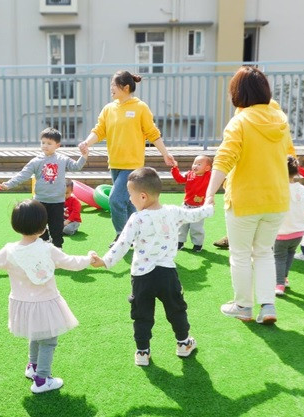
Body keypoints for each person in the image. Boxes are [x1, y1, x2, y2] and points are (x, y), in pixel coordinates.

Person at [0, 199, 96, 393]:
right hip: (45, 302)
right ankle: (42, 380)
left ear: (16, 225)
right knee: (48, 340)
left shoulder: (10, 250)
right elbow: (72, 262)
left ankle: (33, 366)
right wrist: (89, 258)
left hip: (22, 303)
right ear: (43, 227)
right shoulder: (47, 249)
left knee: (35, 334)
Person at [92, 167, 213, 366]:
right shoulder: (173, 211)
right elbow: (196, 214)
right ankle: (183, 344)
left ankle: (142, 352)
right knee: (176, 309)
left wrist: (105, 261)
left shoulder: (137, 219)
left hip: (141, 276)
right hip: (167, 274)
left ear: (142, 196)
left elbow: (122, 244)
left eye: (130, 195)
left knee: (142, 314)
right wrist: (209, 205)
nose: (129, 199)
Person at [204, 66, 295, 325]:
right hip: (277, 199)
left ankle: (243, 306)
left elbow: (224, 158)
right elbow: (291, 156)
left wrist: (210, 193)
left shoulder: (240, 121)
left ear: (238, 93)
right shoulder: (281, 120)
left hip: (245, 200)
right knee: (264, 252)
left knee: (241, 254)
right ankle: (268, 306)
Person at [78, 70, 176, 247]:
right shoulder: (109, 109)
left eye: (113, 86)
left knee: (115, 199)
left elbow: (152, 133)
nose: (111, 89)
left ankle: (121, 236)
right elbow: (100, 130)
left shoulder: (140, 108)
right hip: (114, 163)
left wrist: (165, 153)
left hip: (132, 165)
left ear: (126, 87)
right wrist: (87, 142)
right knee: (131, 202)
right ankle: (137, 235)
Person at [1, 127, 88, 249]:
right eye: (43, 142)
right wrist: (9, 184)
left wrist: (84, 156)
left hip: (57, 201)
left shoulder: (63, 159)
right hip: (40, 201)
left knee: (56, 227)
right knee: (39, 226)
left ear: (57, 145)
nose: (45, 146)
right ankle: (44, 243)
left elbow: (76, 167)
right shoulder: (36, 161)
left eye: (49, 143)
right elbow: (23, 174)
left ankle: (58, 248)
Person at [273, 156, 304, 296]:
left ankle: (279, 283)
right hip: (298, 232)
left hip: (281, 232)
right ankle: (284, 278)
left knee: (279, 257)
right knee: (289, 254)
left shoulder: (277, 189)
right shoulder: (302, 189)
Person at [171, 155, 212, 252]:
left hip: (199, 207)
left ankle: (198, 244)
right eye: (194, 163)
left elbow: (217, 175)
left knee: (196, 227)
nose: (195, 166)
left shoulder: (209, 176)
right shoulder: (189, 174)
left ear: (207, 168)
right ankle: (180, 242)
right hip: (186, 205)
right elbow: (179, 179)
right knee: (182, 225)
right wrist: (175, 168)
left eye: (199, 164)